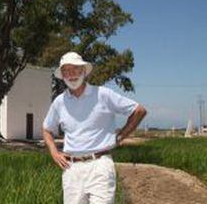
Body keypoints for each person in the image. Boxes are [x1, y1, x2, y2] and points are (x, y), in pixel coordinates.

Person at [43, 52, 147, 204]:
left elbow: (139, 111)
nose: (71, 75)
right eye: (66, 71)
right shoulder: (59, 102)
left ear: (84, 71)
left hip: (100, 166)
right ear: (62, 75)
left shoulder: (103, 94)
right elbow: (47, 129)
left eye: (75, 69)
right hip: (71, 169)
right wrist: (54, 152)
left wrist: (120, 136)